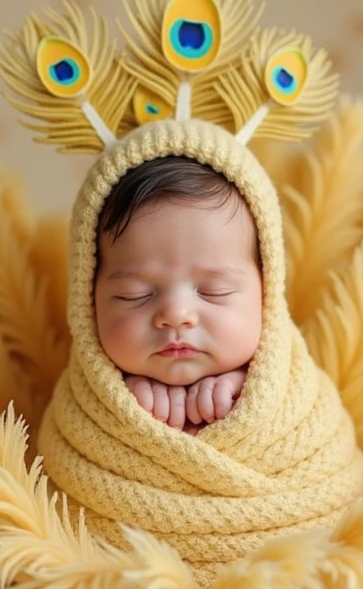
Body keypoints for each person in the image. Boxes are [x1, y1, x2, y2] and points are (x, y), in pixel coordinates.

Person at [94, 155, 263, 435]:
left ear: (266, 292)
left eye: (213, 291)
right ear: (88, 299)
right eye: (134, 294)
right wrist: (117, 406)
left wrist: (253, 389)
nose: (175, 314)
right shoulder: (89, 402)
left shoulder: (294, 388)